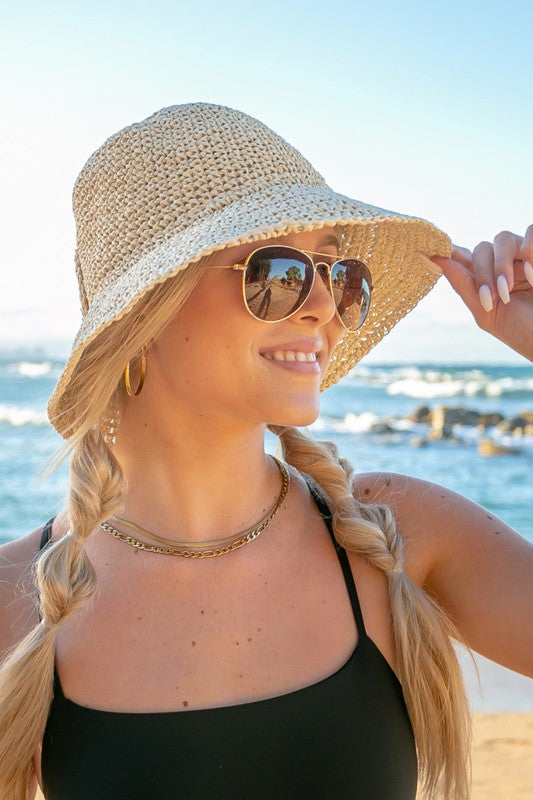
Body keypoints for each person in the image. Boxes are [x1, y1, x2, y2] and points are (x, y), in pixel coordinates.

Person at [0, 102, 532, 800]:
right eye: (277, 272)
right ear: (141, 312)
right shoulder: (18, 605)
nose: (320, 304)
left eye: (338, 273)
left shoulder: (395, 538)